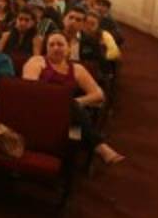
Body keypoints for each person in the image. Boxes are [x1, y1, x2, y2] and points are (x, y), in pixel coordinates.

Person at [22, 32, 124, 165]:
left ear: (68, 48)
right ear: (46, 48)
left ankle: (69, 165)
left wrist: (76, 102)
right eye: (51, 44)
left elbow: (99, 94)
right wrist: (62, 101)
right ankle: (98, 145)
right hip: (40, 111)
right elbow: (29, 90)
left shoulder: (77, 69)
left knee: (74, 128)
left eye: (60, 44)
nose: (56, 48)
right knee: (75, 117)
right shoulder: (37, 61)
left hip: (68, 116)